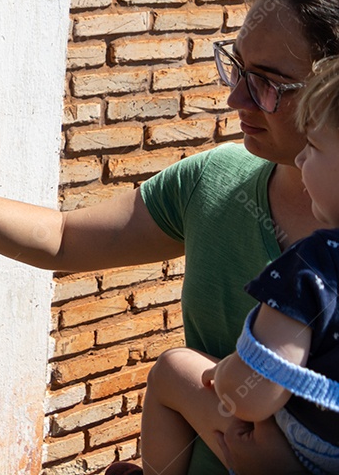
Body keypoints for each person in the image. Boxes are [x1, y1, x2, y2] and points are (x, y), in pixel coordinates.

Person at [0, 0, 339, 475]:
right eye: (236, 67)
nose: (234, 98)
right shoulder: (212, 183)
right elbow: (62, 240)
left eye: (268, 82)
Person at [139, 56, 339, 475]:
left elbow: (256, 394)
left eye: (314, 147)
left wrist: (232, 373)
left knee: (173, 368)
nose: (301, 161)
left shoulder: (313, 264)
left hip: (311, 449)